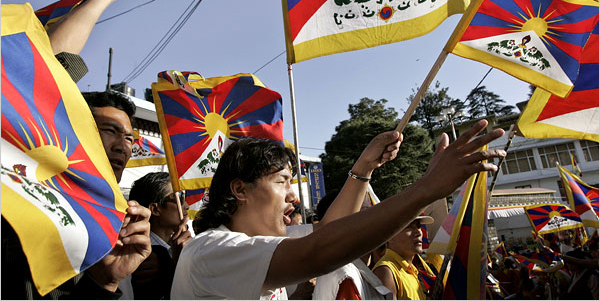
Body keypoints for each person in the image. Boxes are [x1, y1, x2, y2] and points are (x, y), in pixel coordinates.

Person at [171, 120, 505, 299]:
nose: (294, 197)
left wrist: (364, 168)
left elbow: (328, 229)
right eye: (282, 182)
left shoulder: (263, 244)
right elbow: (319, 251)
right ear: (240, 189)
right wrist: (425, 189)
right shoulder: (208, 251)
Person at [2, 90, 151, 299]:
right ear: (73, 133)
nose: (122, 147)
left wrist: (105, 282)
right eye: (110, 130)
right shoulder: (31, 200)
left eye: (129, 138)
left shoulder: (122, 219)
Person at [128, 172, 192, 299]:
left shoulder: (178, 247)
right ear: (155, 209)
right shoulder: (140, 255)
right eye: (178, 197)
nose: (186, 206)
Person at [372, 216, 436, 300]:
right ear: (390, 236)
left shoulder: (414, 270)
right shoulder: (386, 271)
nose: (418, 232)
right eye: (409, 227)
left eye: (418, 226)